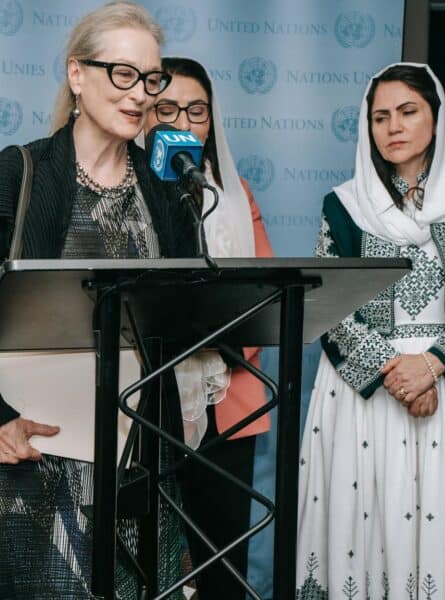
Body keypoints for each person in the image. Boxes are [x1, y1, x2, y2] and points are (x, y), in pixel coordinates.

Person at [0, 2, 198, 597]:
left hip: (135, 454)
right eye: (121, 74)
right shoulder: (14, 175)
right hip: (27, 454)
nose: (140, 95)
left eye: (151, 80)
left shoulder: (166, 189)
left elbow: (181, 315)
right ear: (77, 75)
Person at [296, 63, 445, 596]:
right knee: (367, 522)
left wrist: (432, 365)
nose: (393, 126)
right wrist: (395, 374)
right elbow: (329, 304)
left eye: (407, 111)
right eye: (380, 117)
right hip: (365, 395)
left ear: (436, 119)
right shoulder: (345, 204)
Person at [141, 56, 273, 598]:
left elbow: (267, 299)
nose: (183, 123)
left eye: (196, 110)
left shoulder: (233, 193)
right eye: (166, 108)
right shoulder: (123, 192)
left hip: (228, 405)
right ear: (145, 116)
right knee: (144, 563)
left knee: (223, 570)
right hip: (142, 405)